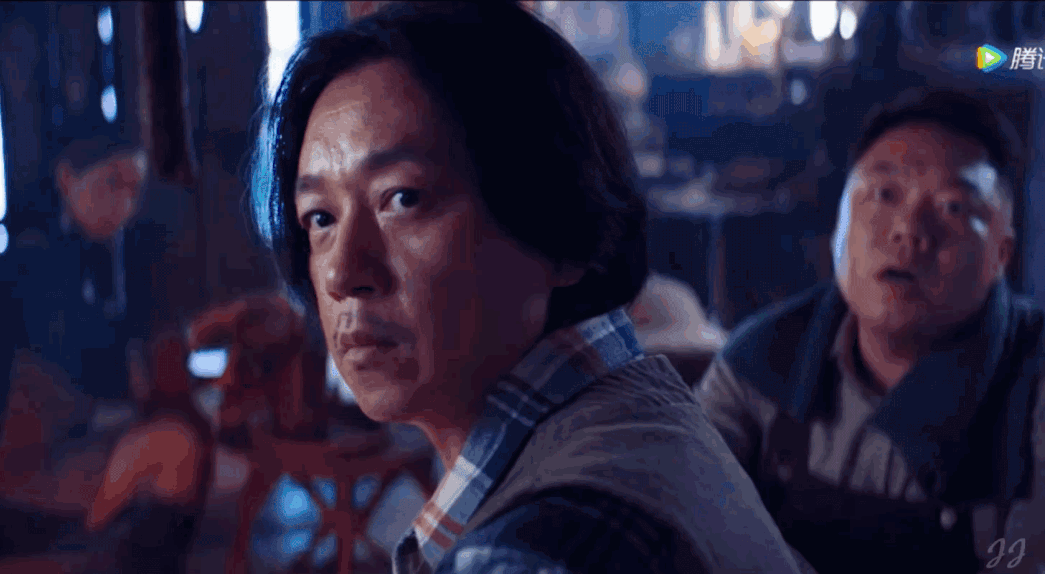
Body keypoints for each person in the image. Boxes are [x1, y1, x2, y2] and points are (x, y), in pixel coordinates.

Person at [251, 3, 806, 573]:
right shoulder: (639, 413)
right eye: (320, 217)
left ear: (560, 226)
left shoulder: (533, 550)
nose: (342, 273)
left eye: (403, 199)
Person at [697, 89, 1045, 574]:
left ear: (1001, 256)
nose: (909, 230)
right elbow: (688, 531)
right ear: (838, 223)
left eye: (952, 207)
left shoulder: (1033, 383)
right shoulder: (759, 362)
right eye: (884, 194)